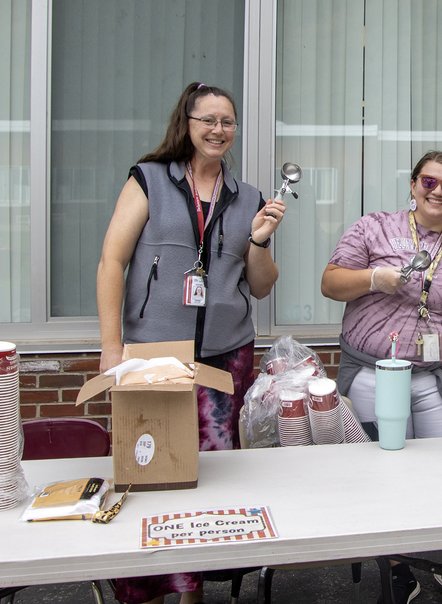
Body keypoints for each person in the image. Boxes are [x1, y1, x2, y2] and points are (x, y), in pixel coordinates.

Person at [96, 82, 286, 604]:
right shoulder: (149, 180)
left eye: (227, 122)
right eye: (208, 120)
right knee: (149, 469)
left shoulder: (247, 197)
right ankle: (144, 589)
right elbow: (112, 261)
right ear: (187, 122)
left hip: (225, 353)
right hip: (154, 354)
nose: (218, 130)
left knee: (214, 473)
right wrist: (111, 347)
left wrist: (261, 240)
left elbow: (263, 285)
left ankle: (193, 590)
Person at [321, 150, 442, 604]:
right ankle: (398, 574)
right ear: (413, 184)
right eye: (429, 181)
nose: (437, 191)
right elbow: (330, 281)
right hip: (375, 375)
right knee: (384, 476)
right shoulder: (373, 227)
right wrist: (374, 278)